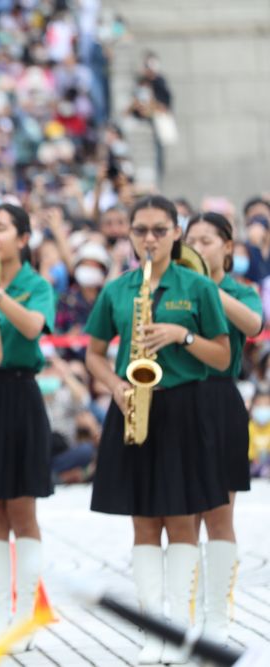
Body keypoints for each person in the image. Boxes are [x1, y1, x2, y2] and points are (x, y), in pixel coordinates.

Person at [85, 195, 231, 665]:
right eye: (141, 230)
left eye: (159, 230)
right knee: (144, 522)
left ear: (176, 234)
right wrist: (114, 386)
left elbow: (224, 357)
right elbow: (92, 353)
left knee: (184, 519)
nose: (149, 239)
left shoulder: (199, 286)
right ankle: (153, 631)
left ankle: (182, 629)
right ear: (129, 234)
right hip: (133, 405)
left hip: (185, 408)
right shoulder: (117, 289)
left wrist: (180, 335)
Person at [0, 203, 56, 648]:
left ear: (22, 239)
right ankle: (1, 615)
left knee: (22, 509)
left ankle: (26, 615)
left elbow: (32, 328)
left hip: (20, 393)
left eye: (0, 228)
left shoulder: (34, 284)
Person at [184, 211, 263, 646]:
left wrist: (207, 287)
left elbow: (253, 325)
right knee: (180, 516)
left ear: (228, 247)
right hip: (176, 402)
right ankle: (185, 613)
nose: (198, 246)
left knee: (219, 514)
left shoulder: (237, 290)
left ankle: (219, 615)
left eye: (207, 240)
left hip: (219, 400)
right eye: (191, 239)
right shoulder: (174, 289)